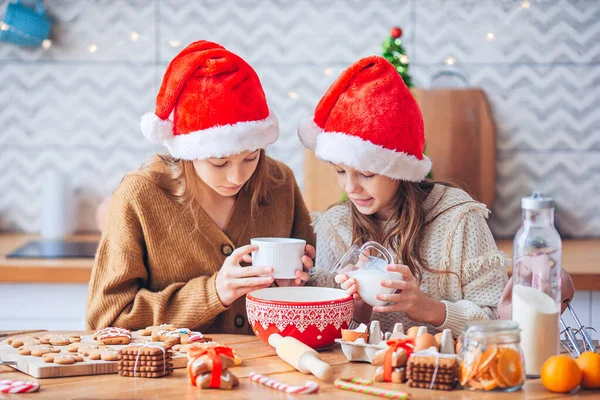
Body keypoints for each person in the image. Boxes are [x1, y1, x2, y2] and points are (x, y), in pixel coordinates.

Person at [86, 40, 315, 334]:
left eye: (251, 157)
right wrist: (212, 293)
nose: (237, 177)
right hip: (171, 376)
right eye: (219, 163)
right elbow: (105, 320)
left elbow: (315, 292)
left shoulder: (279, 183)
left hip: (267, 371)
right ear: (188, 153)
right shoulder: (139, 196)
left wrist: (294, 289)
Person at [300, 55, 508, 335]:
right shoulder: (335, 228)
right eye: (340, 171)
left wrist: (429, 309)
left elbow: (498, 322)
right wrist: (358, 310)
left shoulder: (458, 218)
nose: (349, 188)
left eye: (366, 174)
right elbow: (324, 334)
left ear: (398, 167)